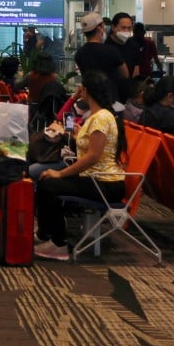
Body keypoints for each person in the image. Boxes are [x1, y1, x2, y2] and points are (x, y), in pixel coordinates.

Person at [35, 70, 126, 261]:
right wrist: (77, 135)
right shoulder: (98, 116)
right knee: (46, 180)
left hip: (105, 183)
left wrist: (62, 174)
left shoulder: (100, 118)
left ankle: (57, 242)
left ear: (85, 90)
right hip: (96, 178)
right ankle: (48, 235)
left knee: (48, 184)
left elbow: (93, 157)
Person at [74, 11, 128, 103]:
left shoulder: (79, 53)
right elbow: (125, 74)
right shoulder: (111, 51)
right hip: (110, 99)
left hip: (90, 100)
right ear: (100, 28)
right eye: (103, 26)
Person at [105, 12, 140, 82]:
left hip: (128, 88)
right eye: (123, 28)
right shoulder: (106, 46)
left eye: (129, 28)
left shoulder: (133, 45)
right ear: (113, 28)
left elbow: (136, 71)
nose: (126, 31)